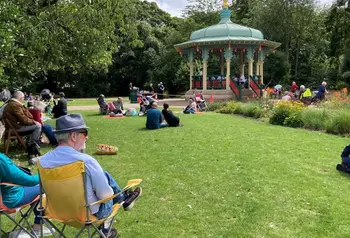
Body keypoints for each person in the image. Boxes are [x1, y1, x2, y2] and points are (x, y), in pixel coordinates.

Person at [39, 114, 142, 237]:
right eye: (85, 133)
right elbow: (106, 195)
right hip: (88, 215)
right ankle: (122, 198)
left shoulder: (43, 161)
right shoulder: (86, 161)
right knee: (106, 187)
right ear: (73, 136)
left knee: (101, 175)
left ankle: (123, 199)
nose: (86, 138)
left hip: (58, 213)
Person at [0, 153, 52, 236]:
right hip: (8, 201)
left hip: (5, 197)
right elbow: (29, 181)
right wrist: (46, 174)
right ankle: (37, 228)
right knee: (43, 187)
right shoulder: (1, 160)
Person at [2, 91, 41, 159]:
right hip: (15, 129)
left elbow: (29, 116)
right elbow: (24, 120)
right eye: (23, 98)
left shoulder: (12, 104)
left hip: (13, 127)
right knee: (38, 126)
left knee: (34, 127)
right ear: (20, 98)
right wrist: (34, 122)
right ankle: (31, 149)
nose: (24, 99)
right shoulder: (15, 105)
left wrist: (32, 120)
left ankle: (31, 146)